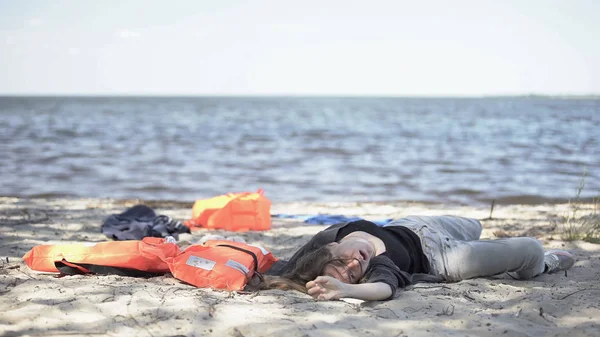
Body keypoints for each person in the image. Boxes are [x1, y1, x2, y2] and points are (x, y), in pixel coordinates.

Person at [260, 215, 575, 301]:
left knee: (476, 225)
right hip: (445, 257)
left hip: (414, 224)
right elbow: (384, 290)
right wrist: (347, 289)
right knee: (529, 250)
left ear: (327, 252)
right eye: (354, 273)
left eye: (342, 263)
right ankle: (546, 263)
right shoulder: (379, 268)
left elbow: (279, 268)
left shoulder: (323, 241)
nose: (355, 264)